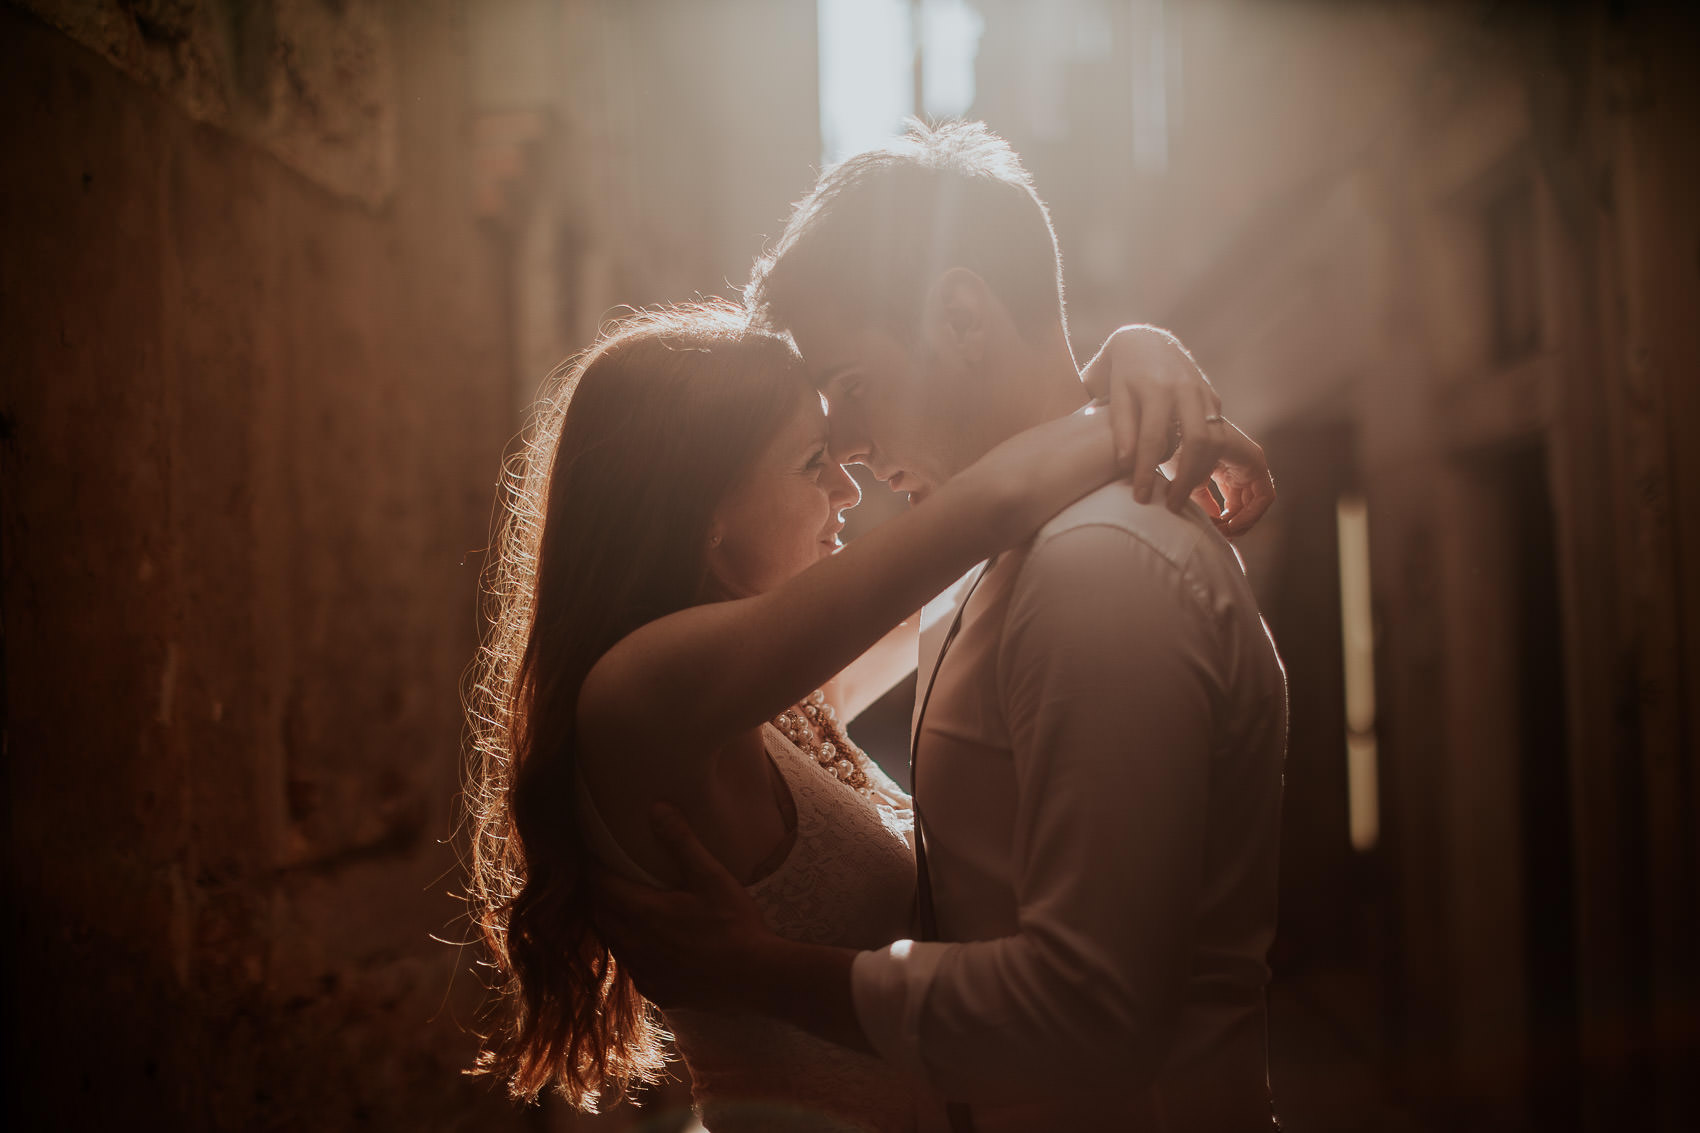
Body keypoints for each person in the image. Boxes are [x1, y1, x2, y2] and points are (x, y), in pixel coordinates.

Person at [593, 122, 1289, 1132]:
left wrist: (763, 970)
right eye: (812, 440)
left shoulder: (1094, 565)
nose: (847, 452)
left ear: (962, 316)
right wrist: (1127, 371)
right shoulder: (996, 562)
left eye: (848, 389)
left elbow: (1089, 1007)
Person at [463, 294, 1266, 1131]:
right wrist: (1156, 410)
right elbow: (986, 508)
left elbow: (972, 544)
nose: (848, 488)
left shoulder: (772, 703)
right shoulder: (641, 689)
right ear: (708, 514)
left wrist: (1141, 352)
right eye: (814, 462)